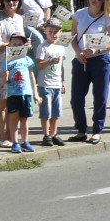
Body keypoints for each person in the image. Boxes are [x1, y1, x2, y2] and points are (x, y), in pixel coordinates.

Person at [69, 0, 110, 143]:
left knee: (100, 97)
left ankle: (97, 130)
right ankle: (81, 130)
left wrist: (97, 49)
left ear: (104, 0)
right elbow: (73, 37)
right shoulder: (79, 14)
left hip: (100, 60)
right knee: (76, 98)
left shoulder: (107, 17)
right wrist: (78, 53)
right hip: (82, 60)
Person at [0, 0, 24, 147]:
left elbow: (22, 40)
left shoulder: (19, 18)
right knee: (2, 102)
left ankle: (12, 134)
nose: (11, 2)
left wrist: (25, 45)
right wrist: (10, 44)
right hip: (2, 65)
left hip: (17, 64)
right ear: (3, 1)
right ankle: (2, 135)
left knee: (14, 101)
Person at [2, 32, 40, 153]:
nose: (17, 46)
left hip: (26, 92)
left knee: (24, 119)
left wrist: (36, 94)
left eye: (20, 44)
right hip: (13, 94)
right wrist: (5, 76)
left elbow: (32, 77)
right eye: (14, 44)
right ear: (10, 45)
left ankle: (25, 141)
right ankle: (15, 142)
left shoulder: (27, 60)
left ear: (24, 46)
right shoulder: (7, 62)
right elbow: (4, 81)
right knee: (13, 119)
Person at [35, 18, 67, 146]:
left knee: (56, 111)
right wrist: (50, 61)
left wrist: (62, 81)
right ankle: (46, 135)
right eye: (50, 31)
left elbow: (62, 66)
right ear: (45, 31)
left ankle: (54, 133)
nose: (53, 34)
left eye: (56, 32)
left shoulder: (60, 47)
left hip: (56, 84)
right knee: (46, 112)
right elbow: (38, 65)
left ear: (60, 32)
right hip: (45, 84)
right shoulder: (42, 47)